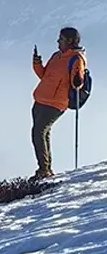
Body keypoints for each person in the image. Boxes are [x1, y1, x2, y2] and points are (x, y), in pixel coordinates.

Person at [31, 26, 87, 179]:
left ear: (70, 41)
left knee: (38, 133)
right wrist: (37, 64)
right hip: (40, 99)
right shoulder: (57, 56)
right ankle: (46, 169)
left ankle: (43, 170)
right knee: (43, 134)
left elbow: (76, 84)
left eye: (61, 39)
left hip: (55, 103)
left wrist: (78, 80)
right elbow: (44, 76)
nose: (58, 41)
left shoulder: (77, 59)